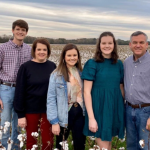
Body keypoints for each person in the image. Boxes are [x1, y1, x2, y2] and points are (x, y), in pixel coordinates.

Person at [82, 32, 125, 150]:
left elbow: (121, 88)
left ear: (114, 45)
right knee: (104, 147)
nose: (107, 46)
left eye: (110, 43)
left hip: (115, 108)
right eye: (104, 43)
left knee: (108, 145)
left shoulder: (119, 64)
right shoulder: (92, 63)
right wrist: (91, 118)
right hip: (99, 110)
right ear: (99, 45)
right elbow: (86, 92)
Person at [14, 38, 56, 150]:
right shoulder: (25, 67)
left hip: (49, 111)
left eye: (44, 49)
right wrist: (21, 115)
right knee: (31, 142)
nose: (42, 52)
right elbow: (19, 91)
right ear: (34, 51)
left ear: (48, 51)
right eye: (39, 49)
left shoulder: (52, 66)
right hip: (30, 110)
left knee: (48, 141)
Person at [47, 43, 86, 150]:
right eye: (69, 55)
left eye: (74, 55)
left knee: (80, 145)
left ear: (78, 57)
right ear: (64, 57)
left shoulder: (83, 73)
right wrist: (54, 122)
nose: (72, 58)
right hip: (64, 114)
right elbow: (51, 99)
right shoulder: (56, 75)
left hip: (80, 113)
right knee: (61, 145)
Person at [0, 19, 31, 149]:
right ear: (13, 30)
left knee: (19, 122)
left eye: (23, 30)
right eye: (17, 29)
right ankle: (3, 147)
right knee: (5, 122)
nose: (20, 32)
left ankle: (16, 147)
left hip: (22, 91)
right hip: (6, 88)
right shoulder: (2, 48)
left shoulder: (29, 49)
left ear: (26, 32)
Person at [124, 31, 150, 150]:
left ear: (147, 44)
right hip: (129, 110)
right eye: (135, 42)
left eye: (141, 42)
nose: (138, 45)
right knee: (131, 146)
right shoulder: (126, 62)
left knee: (145, 146)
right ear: (130, 45)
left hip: (146, 111)